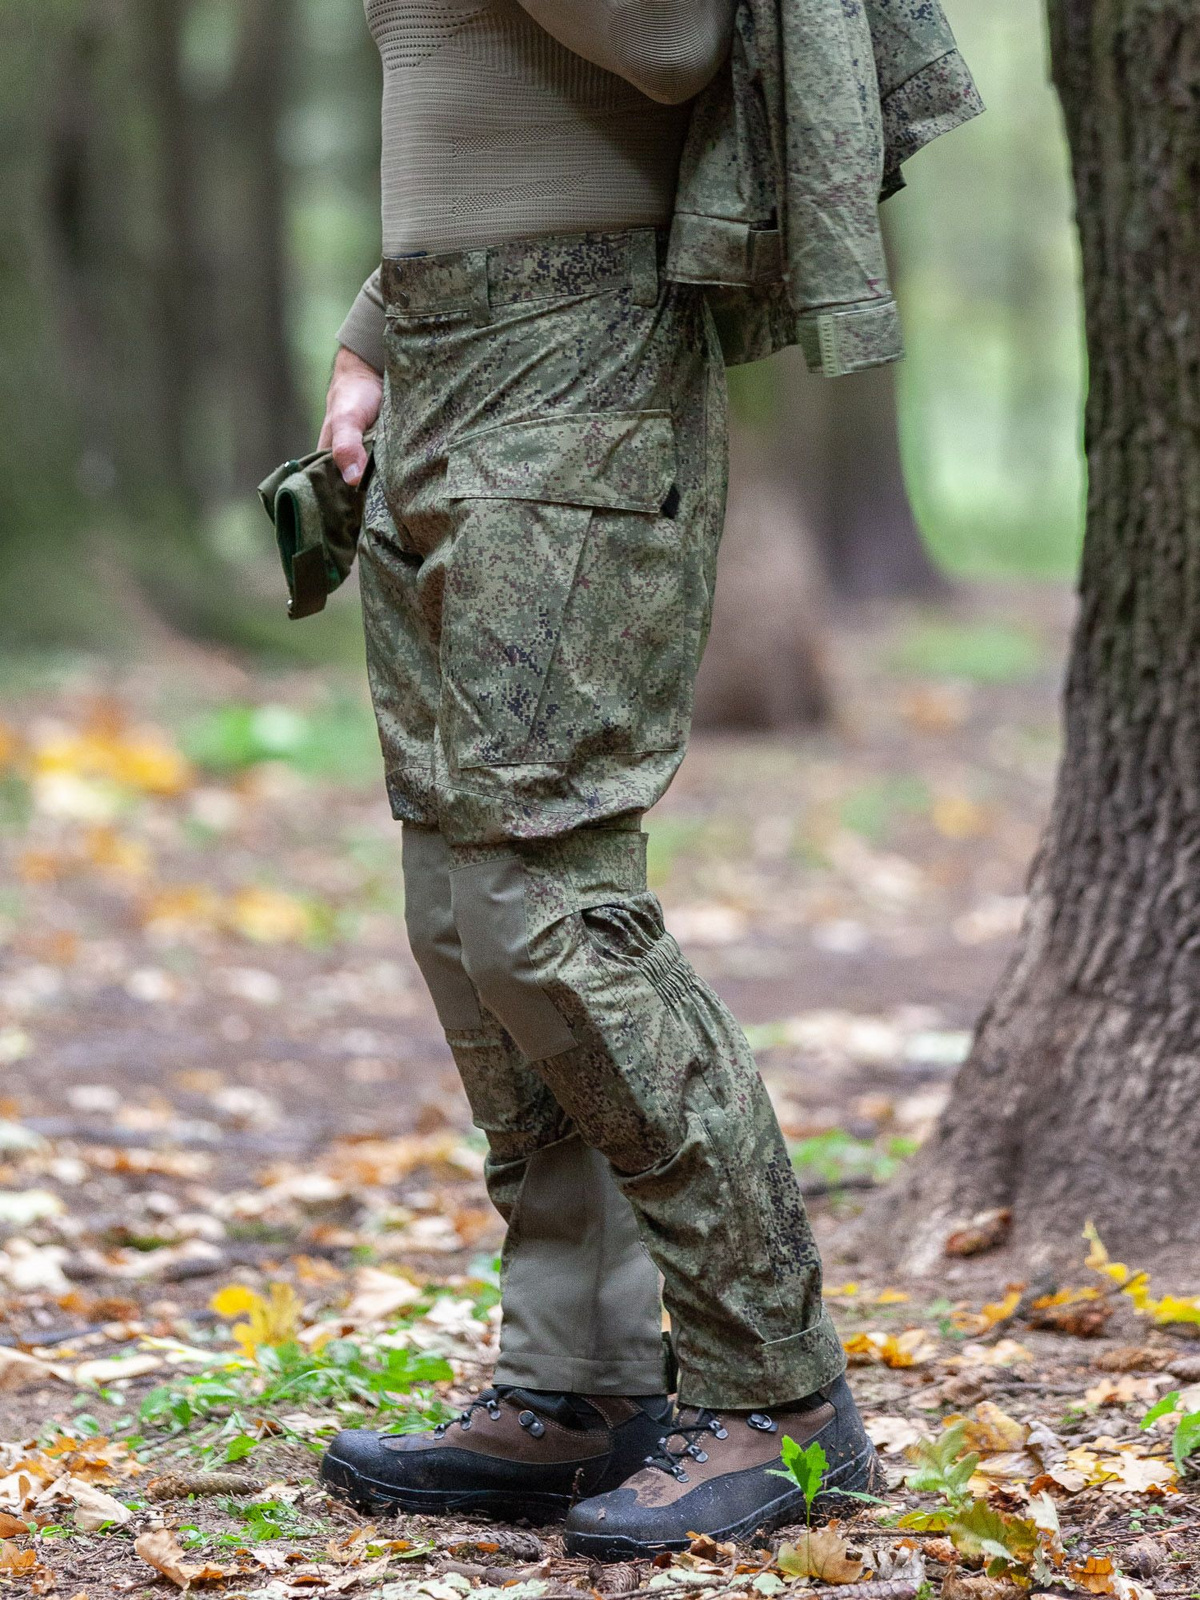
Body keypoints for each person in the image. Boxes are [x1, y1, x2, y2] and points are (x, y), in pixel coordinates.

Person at [314, 0, 939, 1559]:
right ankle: (579, 1383)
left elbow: (668, 40)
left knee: (542, 899)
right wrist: (376, 333)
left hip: (583, 360)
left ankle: (783, 1402)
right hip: (452, 353)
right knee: (459, 899)